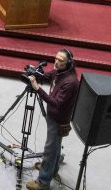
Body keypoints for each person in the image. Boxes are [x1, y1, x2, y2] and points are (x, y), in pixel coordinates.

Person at [26, 49, 79, 190]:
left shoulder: (71, 82)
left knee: (50, 149)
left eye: (60, 60)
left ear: (69, 62)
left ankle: (43, 182)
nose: (56, 62)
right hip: (54, 116)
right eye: (56, 58)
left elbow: (56, 103)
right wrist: (36, 72)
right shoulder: (61, 71)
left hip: (58, 118)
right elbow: (49, 76)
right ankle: (52, 169)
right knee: (55, 145)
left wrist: (37, 88)